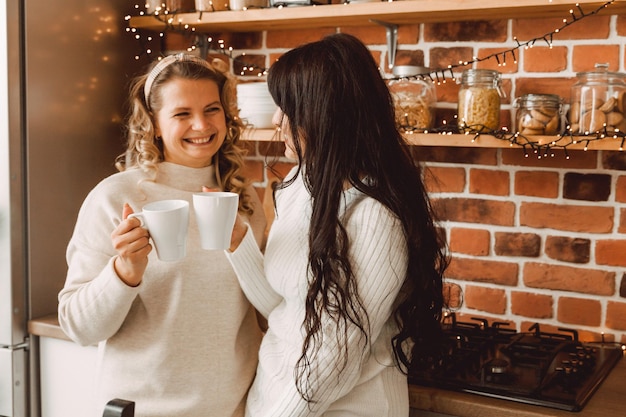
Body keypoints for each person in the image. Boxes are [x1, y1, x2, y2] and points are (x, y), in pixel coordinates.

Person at [225, 33, 448, 417]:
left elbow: (336, 355)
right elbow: (285, 306)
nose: (277, 121)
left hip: (344, 408)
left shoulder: (375, 216)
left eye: (288, 108)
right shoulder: (298, 185)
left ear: (325, 113)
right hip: (274, 399)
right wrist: (237, 244)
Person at [57, 53, 266, 417]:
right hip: (141, 410)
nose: (201, 125)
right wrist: (124, 273)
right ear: (154, 123)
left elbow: (266, 311)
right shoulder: (116, 197)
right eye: (182, 114)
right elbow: (79, 327)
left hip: (236, 409)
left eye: (212, 109)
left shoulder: (244, 201)